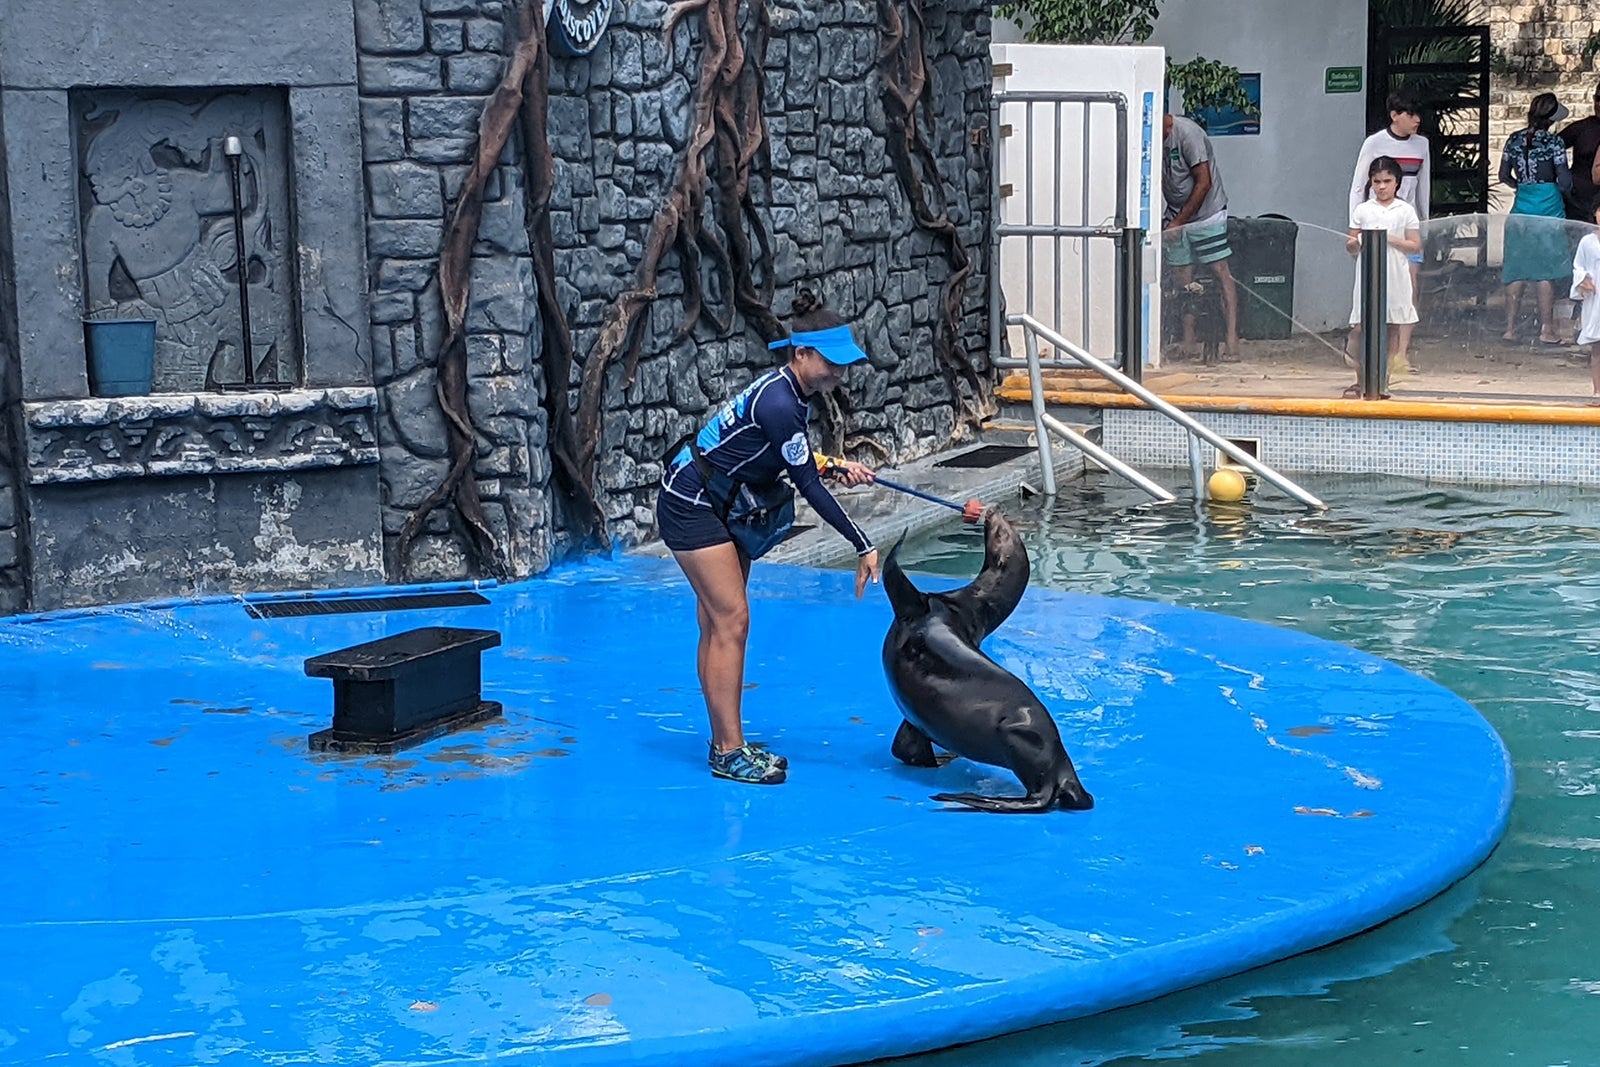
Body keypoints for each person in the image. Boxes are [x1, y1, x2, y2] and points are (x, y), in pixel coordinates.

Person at [655, 289, 881, 785]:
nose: (840, 373)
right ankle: (729, 751)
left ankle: (723, 741)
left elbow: (781, 455)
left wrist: (832, 463)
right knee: (730, 620)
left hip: (717, 499)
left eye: (845, 364)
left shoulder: (790, 395)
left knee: (718, 624)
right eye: (832, 362)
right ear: (802, 354)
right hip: (692, 502)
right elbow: (805, 486)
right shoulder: (781, 402)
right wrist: (862, 543)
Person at [1161, 112, 1240, 361]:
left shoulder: (1188, 134)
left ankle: (1231, 339)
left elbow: (1203, 183)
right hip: (1175, 213)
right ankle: (1189, 340)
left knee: (1220, 271)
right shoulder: (1149, 138)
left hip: (1207, 213)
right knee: (1182, 275)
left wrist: (1178, 222)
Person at [1343, 156, 1421, 397]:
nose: (1382, 187)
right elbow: (1351, 241)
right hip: (1367, 271)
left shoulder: (1405, 210)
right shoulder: (1363, 209)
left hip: (1396, 271)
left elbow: (1415, 245)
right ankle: (1360, 377)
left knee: (1391, 326)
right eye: (1377, 182)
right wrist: (1354, 245)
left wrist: (1389, 238)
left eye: (1387, 181)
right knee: (1361, 325)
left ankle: (1383, 380)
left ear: (1397, 182)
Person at [1500, 92, 1574, 346]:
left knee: (1516, 268)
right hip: (1549, 206)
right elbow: (1564, 180)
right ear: (1552, 117)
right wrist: (1558, 189)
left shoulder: (1514, 139)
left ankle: (1509, 328)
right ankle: (1547, 328)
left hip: (1522, 204)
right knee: (1546, 271)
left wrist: (1522, 186)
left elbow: (1503, 175)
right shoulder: (1554, 143)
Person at [1349, 93, 1431, 301]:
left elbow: (1424, 185)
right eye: (1411, 115)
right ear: (1395, 115)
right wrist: (1354, 225)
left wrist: (1425, 223)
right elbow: (1358, 186)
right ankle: (1375, 330)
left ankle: (1405, 333)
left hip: (1408, 221)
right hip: (1378, 220)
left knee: (1412, 279)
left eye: (1418, 115)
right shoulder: (1374, 143)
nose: (1417, 120)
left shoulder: (1421, 144)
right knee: (1378, 279)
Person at [1558, 81, 1600, 222]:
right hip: (1578, 201)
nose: (1599, 105)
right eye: (1598, 99)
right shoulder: (1582, 127)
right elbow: (1552, 147)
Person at [1572, 197, 1600, 398]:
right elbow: (1578, 266)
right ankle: (1598, 392)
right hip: (1595, 299)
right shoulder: (1587, 241)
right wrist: (1582, 280)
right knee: (1597, 349)